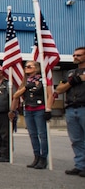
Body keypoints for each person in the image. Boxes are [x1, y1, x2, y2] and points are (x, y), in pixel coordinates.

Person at [11, 61, 51, 169]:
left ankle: (43, 158)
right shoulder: (25, 82)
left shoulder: (44, 81)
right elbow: (16, 95)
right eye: (25, 66)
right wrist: (27, 86)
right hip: (28, 109)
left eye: (29, 66)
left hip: (40, 109)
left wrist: (48, 109)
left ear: (37, 68)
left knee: (42, 134)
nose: (26, 68)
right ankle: (36, 156)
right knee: (32, 134)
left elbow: (50, 95)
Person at [55, 47, 85, 176]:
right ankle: (80, 165)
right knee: (76, 139)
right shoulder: (70, 73)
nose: (75, 57)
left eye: (79, 55)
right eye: (74, 55)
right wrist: (73, 82)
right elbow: (59, 89)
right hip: (72, 108)